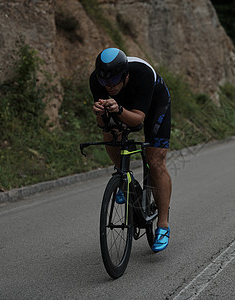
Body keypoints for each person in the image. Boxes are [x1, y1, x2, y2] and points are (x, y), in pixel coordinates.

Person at [90, 48, 172, 252]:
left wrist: (117, 109)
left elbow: (138, 120)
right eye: (104, 81)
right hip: (123, 104)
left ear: (125, 74)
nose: (109, 85)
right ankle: (123, 179)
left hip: (153, 104)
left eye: (115, 79)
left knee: (155, 161)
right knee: (110, 134)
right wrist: (101, 114)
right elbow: (103, 125)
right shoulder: (97, 80)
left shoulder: (142, 73)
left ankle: (163, 225)